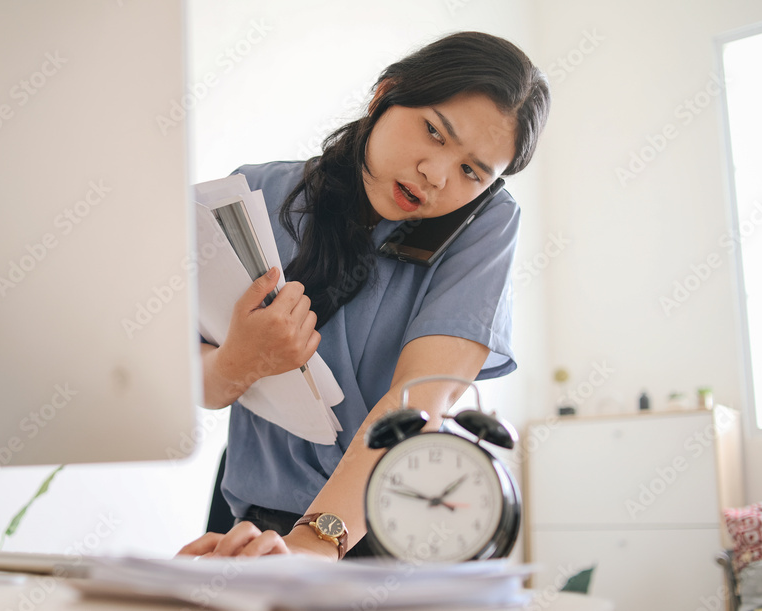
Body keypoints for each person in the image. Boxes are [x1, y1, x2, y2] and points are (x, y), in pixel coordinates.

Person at [179, 31, 550, 561]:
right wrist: (239, 360)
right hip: (255, 523)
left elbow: (417, 404)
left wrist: (314, 542)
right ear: (385, 94)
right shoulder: (255, 195)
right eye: (433, 132)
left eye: (472, 171)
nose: (436, 175)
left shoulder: (484, 224)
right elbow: (193, 382)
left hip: (385, 526)